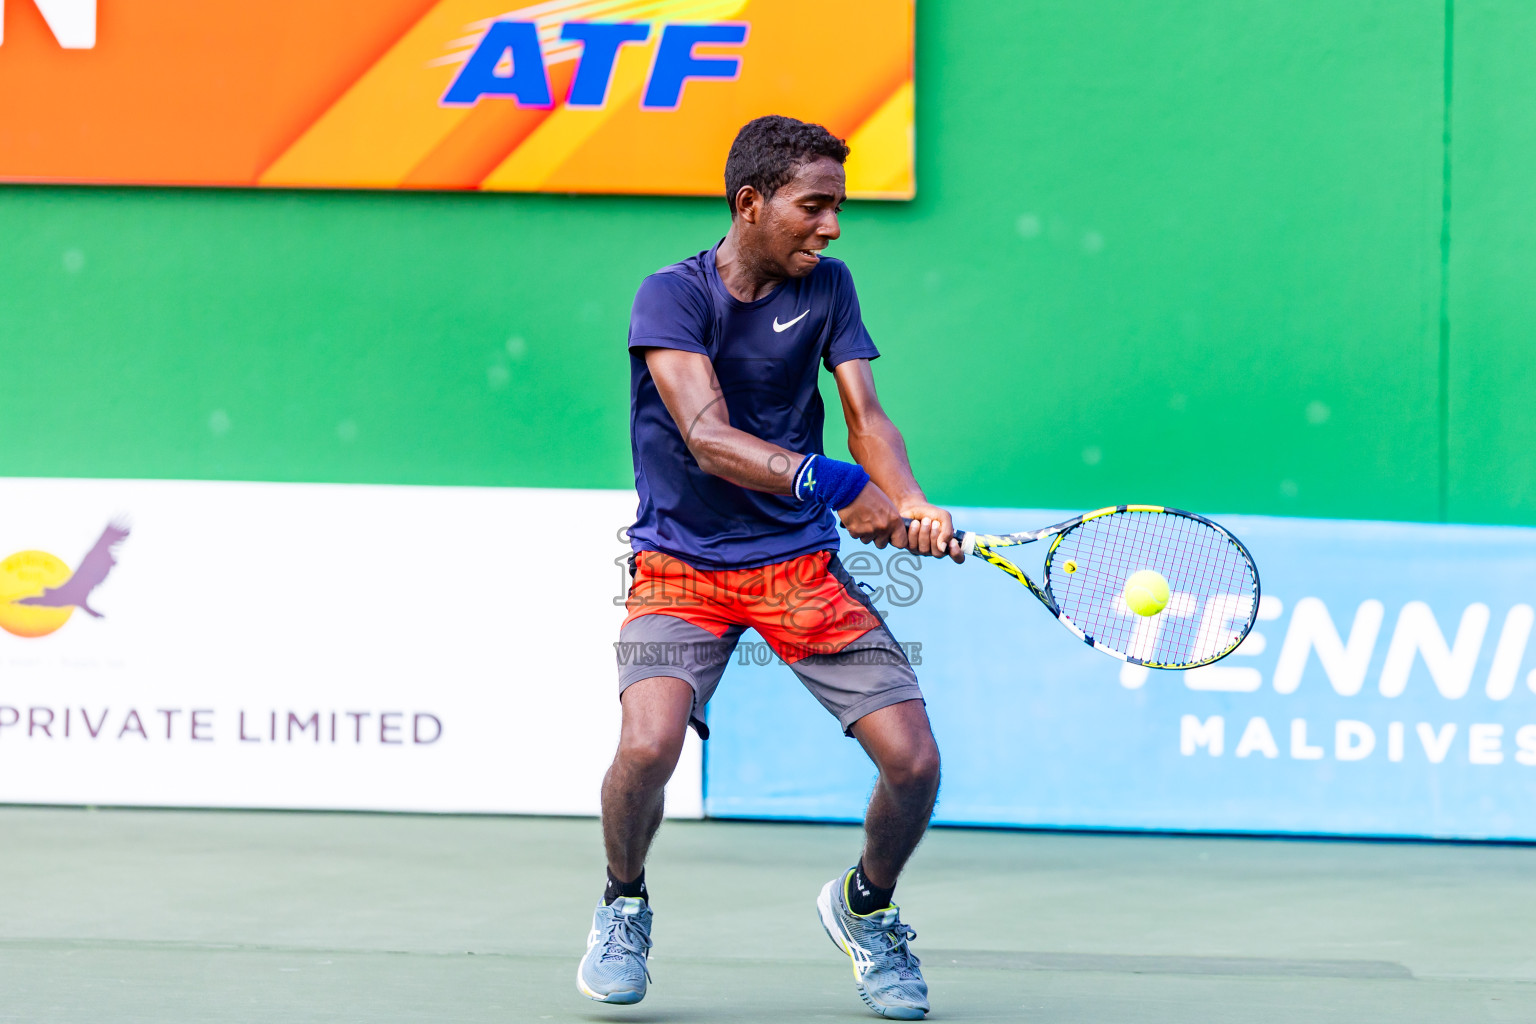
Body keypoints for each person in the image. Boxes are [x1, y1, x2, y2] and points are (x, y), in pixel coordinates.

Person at [578, 114, 963, 1021]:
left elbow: (864, 412)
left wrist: (905, 498)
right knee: (647, 744)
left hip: (795, 568)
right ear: (751, 203)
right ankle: (622, 902)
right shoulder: (671, 297)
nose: (832, 225)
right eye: (814, 206)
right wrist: (835, 484)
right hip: (681, 565)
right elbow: (707, 437)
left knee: (912, 762)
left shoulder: (828, 288)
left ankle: (866, 909)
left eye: (838, 206)